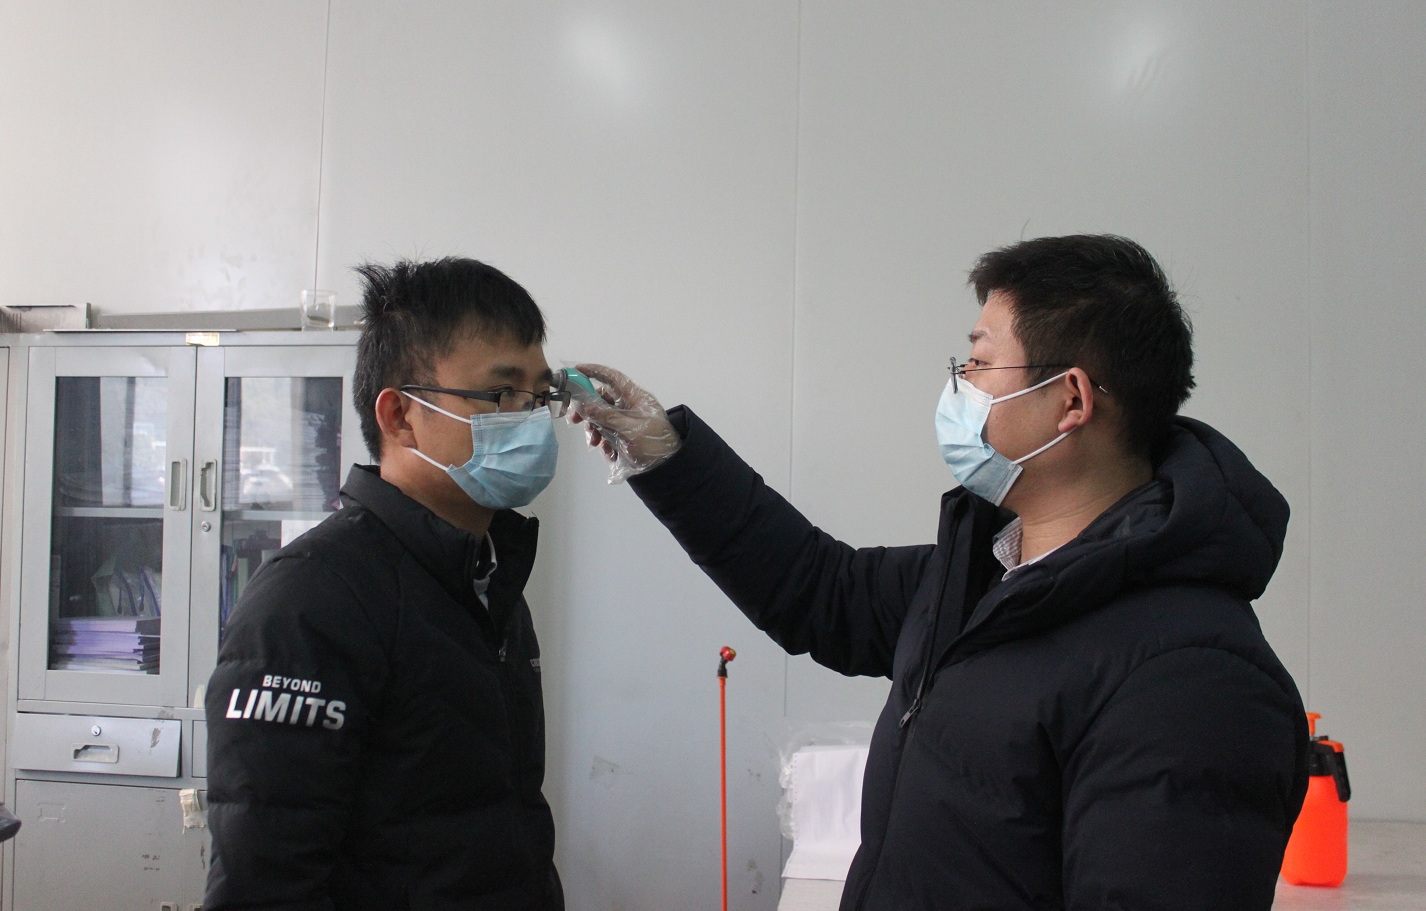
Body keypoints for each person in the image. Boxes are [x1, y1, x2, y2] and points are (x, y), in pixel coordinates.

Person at [571, 235, 1309, 910]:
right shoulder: (985, 576)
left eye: (978, 363)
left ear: (1071, 400)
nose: (959, 386)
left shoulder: (1191, 679)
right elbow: (820, 589)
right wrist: (664, 453)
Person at [205, 257, 567, 910]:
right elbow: (266, 882)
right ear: (400, 416)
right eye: (501, 395)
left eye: (540, 397)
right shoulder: (313, 597)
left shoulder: (486, 579)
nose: (532, 418)